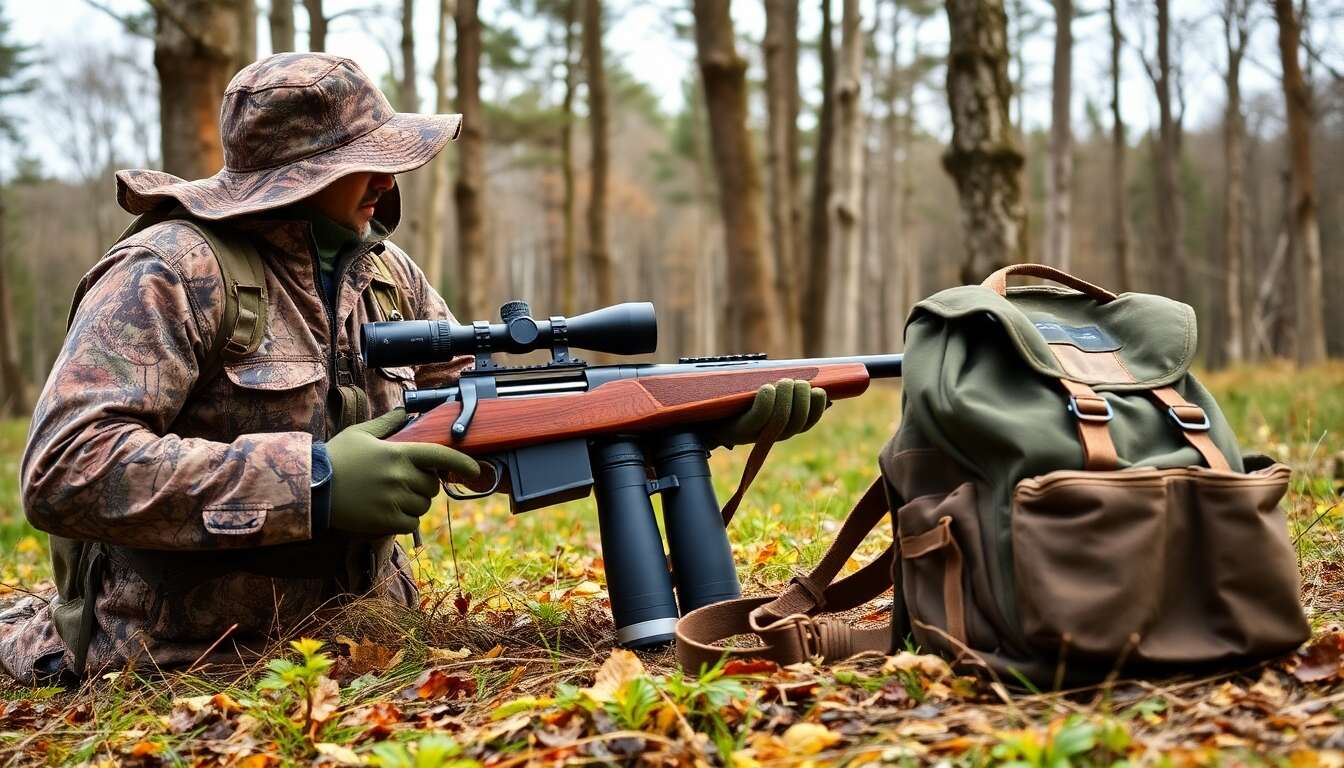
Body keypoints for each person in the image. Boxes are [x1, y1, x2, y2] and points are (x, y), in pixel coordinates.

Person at [0, 52, 826, 684]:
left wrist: (690, 422)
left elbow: (472, 422)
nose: (392, 179)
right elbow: (65, 467)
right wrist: (312, 481)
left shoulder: (384, 274)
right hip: (180, 657)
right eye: (368, 158)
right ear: (301, 177)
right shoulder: (169, 270)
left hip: (371, 641)